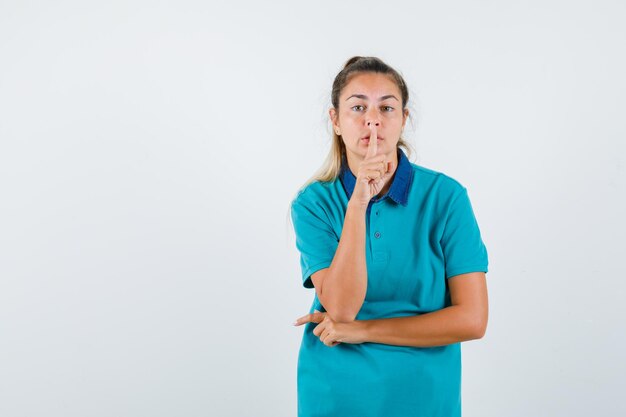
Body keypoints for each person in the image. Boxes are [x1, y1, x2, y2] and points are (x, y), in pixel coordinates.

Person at [289, 56, 489, 417]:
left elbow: (472, 320)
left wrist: (363, 331)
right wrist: (358, 202)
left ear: (403, 120)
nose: (373, 119)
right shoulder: (313, 203)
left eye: (386, 107)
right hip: (336, 397)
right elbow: (343, 308)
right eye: (358, 107)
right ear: (335, 120)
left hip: (425, 399)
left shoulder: (446, 197)